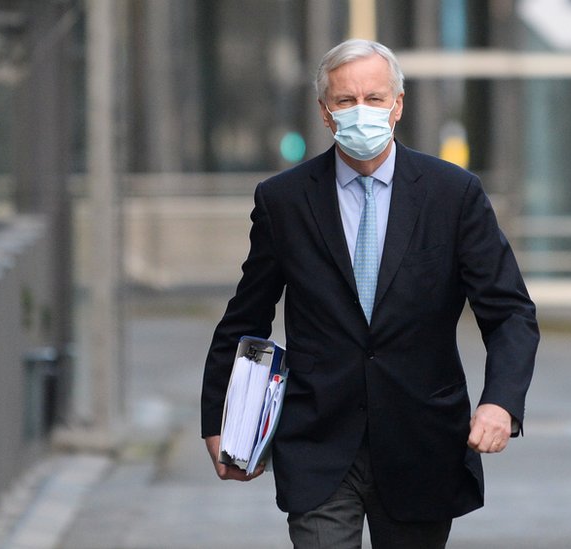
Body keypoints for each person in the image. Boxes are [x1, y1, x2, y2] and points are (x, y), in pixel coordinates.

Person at [201, 38, 539, 549]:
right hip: (317, 441)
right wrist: (218, 420)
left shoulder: (453, 194)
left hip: (421, 441)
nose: (362, 111)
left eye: (375, 99)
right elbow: (246, 316)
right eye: (345, 100)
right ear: (325, 112)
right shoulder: (284, 201)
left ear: (398, 106)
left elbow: (509, 311)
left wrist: (501, 403)